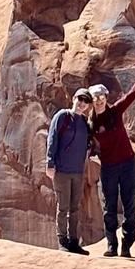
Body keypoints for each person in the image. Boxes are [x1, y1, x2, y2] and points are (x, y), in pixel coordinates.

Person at [88, 52, 135, 258]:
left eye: (101, 97)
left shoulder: (116, 111)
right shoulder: (91, 124)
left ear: (106, 98)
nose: (99, 101)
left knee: (130, 207)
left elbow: (134, 92)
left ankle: (127, 245)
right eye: (96, 99)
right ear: (92, 102)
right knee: (109, 207)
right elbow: (87, 145)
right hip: (109, 168)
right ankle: (111, 245)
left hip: (127, 165)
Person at [45, 87, 94, 254]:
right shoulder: (62, 116)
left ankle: (74, 241)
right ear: (74, 98)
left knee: (75, 208)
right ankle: (62, 240)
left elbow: (89, 145)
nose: (82, 104)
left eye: (86, 102)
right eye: (80, 99)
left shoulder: (85, 123)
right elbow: (52, 138)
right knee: (63, 206)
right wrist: (50, 163)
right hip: (62, 170)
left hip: (78, 171)